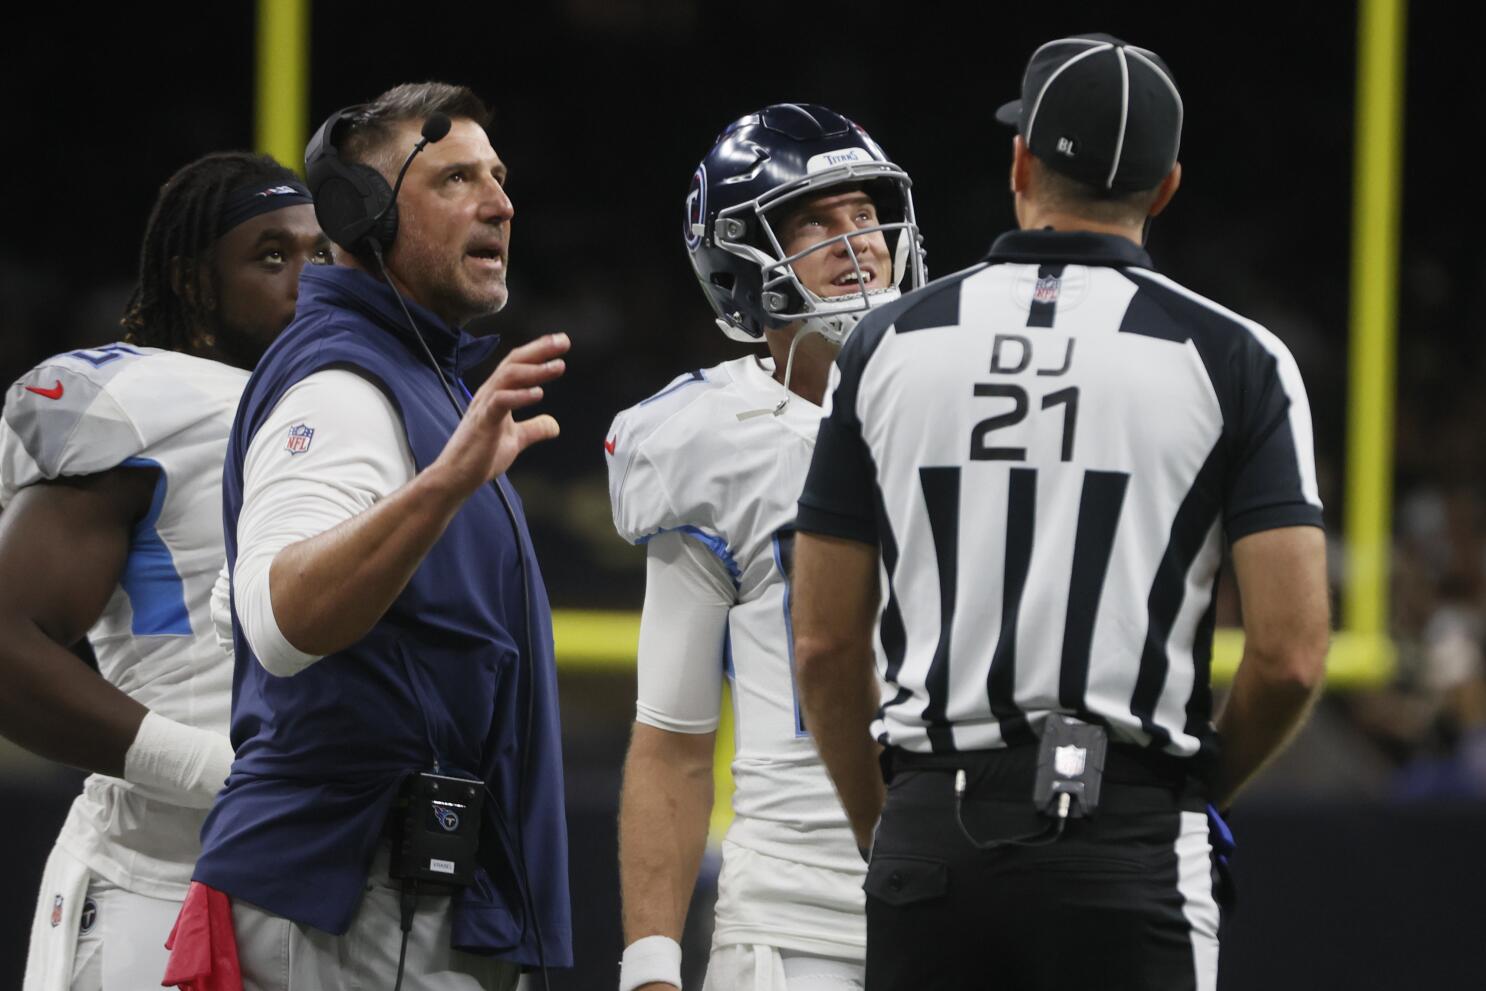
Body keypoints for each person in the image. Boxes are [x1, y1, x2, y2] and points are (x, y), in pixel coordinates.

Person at [790, 34, 1330, 991]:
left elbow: (825, 646)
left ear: (1020, 162)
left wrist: (895, 826)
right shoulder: (1238, 357)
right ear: (1165, 188)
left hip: (931, 822)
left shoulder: (888, 343)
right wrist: (1186, 793)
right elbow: (1291, 655)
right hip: (1128, 831)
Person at [183, 82, 571, 991]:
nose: (500, 203)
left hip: (399, 900)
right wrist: (441, 485)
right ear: (361, 215)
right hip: (354, 896)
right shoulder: (342, 385)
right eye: (454, 179)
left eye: (500, 178)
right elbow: (279, 620)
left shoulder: (419, 377)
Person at [605, 104, 925, 991]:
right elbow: (669, 737)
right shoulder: (710, 438)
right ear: (739, 259)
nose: (856, 241)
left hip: (970, 900)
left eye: (865, 215)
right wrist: (651, 965)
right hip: (794, 920)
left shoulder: (970, 396)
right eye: (815, 222)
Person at [0, 152, 330, 991]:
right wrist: (212, 770)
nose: (308, 279)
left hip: (309, 898)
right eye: (270, 255)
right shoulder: (148, 401)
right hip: (153, 885)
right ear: (191, 279)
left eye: (320, 254)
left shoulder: (338, 411)